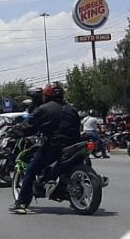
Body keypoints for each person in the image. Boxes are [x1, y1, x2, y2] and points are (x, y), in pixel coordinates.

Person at [10, 82, 81, 214]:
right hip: (75, 145)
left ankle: (21, 203)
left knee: (31, 170)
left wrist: (16, 131)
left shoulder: (43, 109)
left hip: (55, 146)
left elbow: (29, 126)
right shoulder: (72, 109)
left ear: (47, 94)